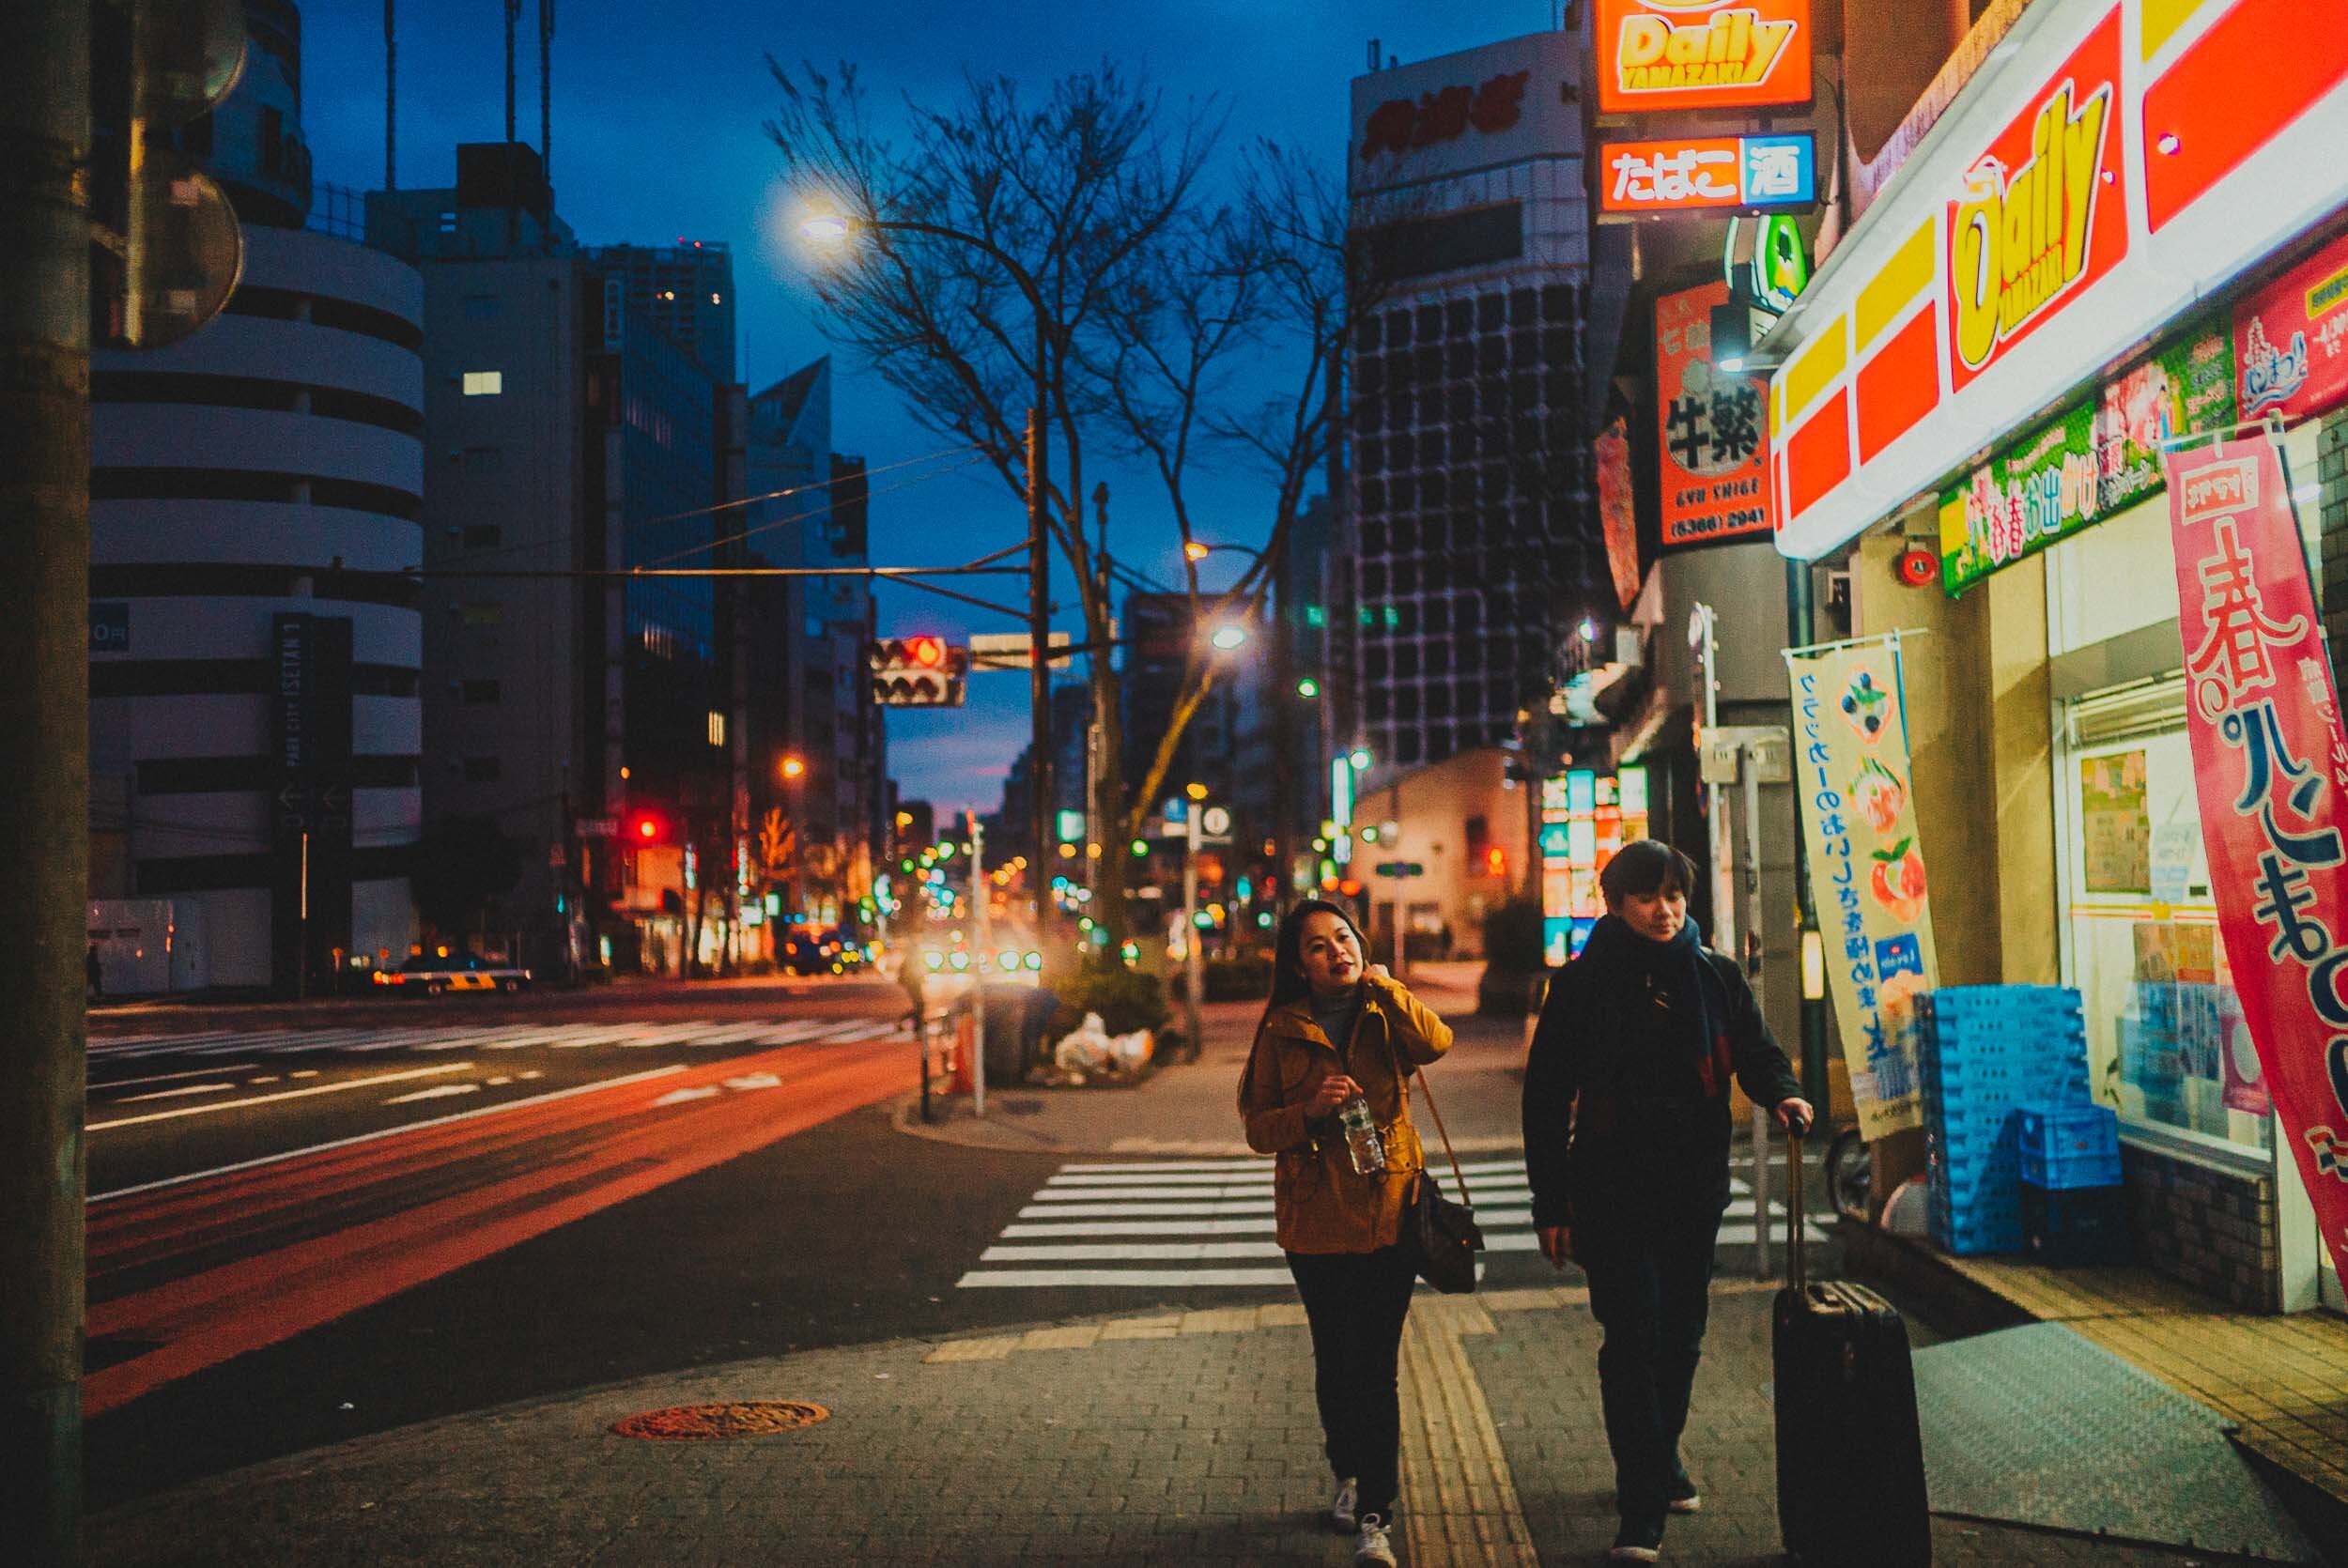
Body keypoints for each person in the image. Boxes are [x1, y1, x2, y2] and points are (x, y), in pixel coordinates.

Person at [1521, 839, 1813, 1564]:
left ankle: (1660, 1457)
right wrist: (1550, 1202)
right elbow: (1546, 1098)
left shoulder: (1713, 974)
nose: (1665, 910)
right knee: (1631, 1340)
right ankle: (1641, 1505)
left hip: (1693, 1185)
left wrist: (1784, 1093)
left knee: (1681, 1335)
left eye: (1675, 895)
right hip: (1609, 1187)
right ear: (1615, 904)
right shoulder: (1582, 986)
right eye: (1648, 897)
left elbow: (1756, 1047)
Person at [1238, 899, 1455, 1567]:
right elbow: (1257, 1129)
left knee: (1378, 1367)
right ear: (1298, 965)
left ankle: (1375, 1516)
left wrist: (1386, 986)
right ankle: (1349, 1472)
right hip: (1315, 1222)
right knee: (1337, 1361)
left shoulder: (1382, 1007)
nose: (1337, 951)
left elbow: (1437, 1043)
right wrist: (1307, 1111)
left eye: (1343, 937)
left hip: (1390, 1210)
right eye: (1317, 946)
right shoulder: (1280, 1030)